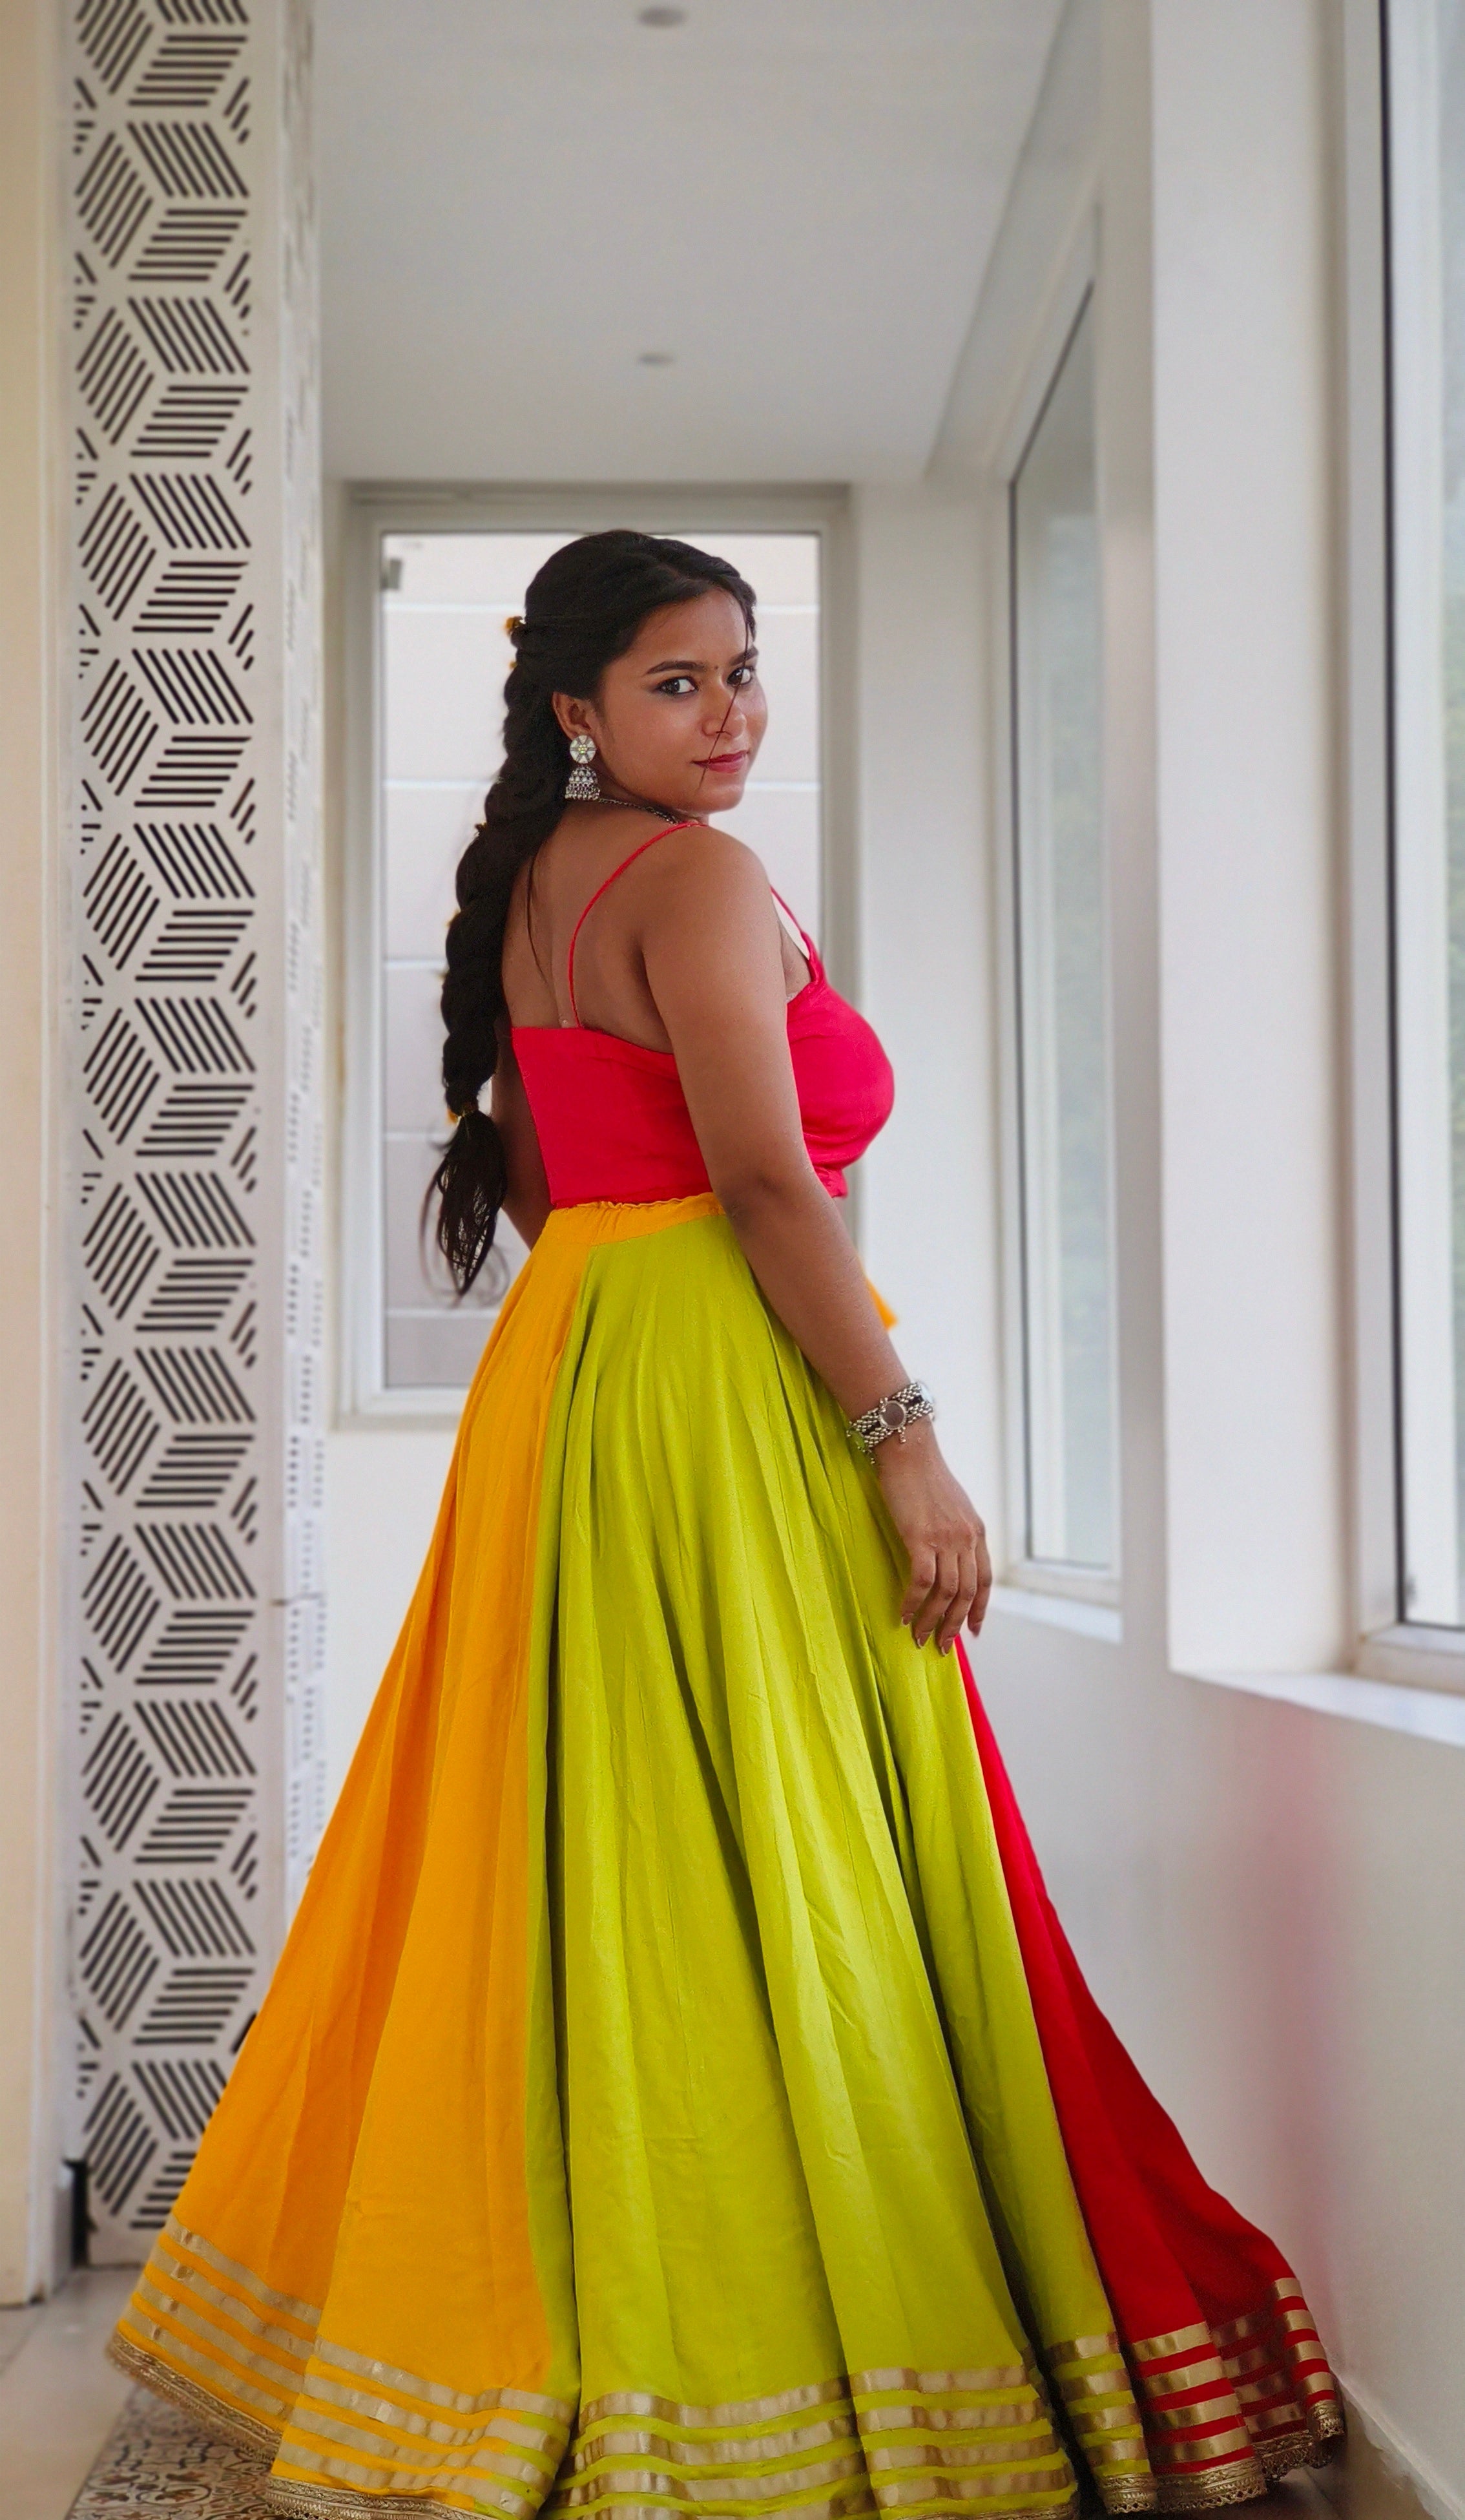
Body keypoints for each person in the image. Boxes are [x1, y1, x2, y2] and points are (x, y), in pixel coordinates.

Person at [111, 531, 1342, 2520]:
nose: (729, 712)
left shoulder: (533, 885)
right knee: (790, 1827)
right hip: (715, 1377)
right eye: (677, 682)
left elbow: (539, 1176)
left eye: (744, 669)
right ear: (575, 708)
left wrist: (622, 1325)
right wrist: (901, 1436)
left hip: (579, 1375)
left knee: (611, 1851)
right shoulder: (692, 875)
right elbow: (770, 1187)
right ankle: (788, 2334)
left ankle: (592, 2329)